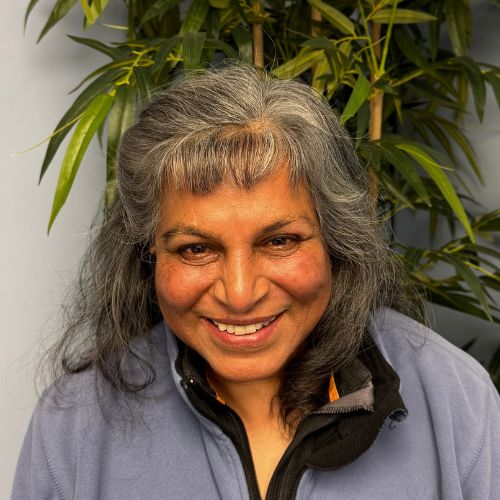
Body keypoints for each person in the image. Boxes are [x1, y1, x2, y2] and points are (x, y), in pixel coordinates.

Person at [12, 65, 499, 500]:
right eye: (196, 249)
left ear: (336, 240)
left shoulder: (456, 400)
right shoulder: (73, 424)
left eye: (280, 241)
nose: (240, 294)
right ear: (148, 251)